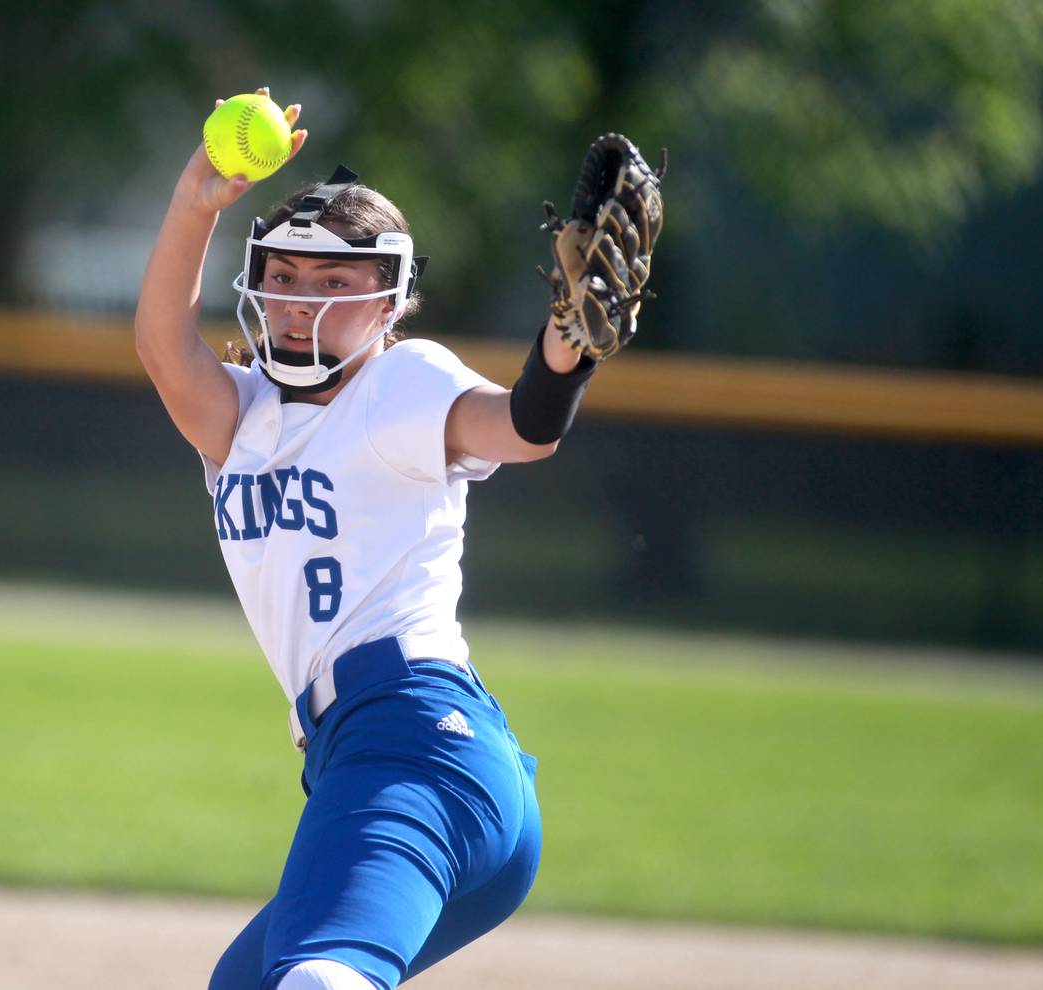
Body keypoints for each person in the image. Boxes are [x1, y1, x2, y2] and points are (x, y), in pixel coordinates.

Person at [135, 90, 656, 990]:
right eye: (285, 276)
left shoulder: (399, 385)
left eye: (334, 284)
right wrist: (193, 200)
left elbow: (522, 426)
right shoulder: (241, 416)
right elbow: (160, 346)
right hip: (376, 754)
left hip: (414, 742)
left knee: (317, 980)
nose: (299, 302)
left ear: (389, 304)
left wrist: (566, 347)